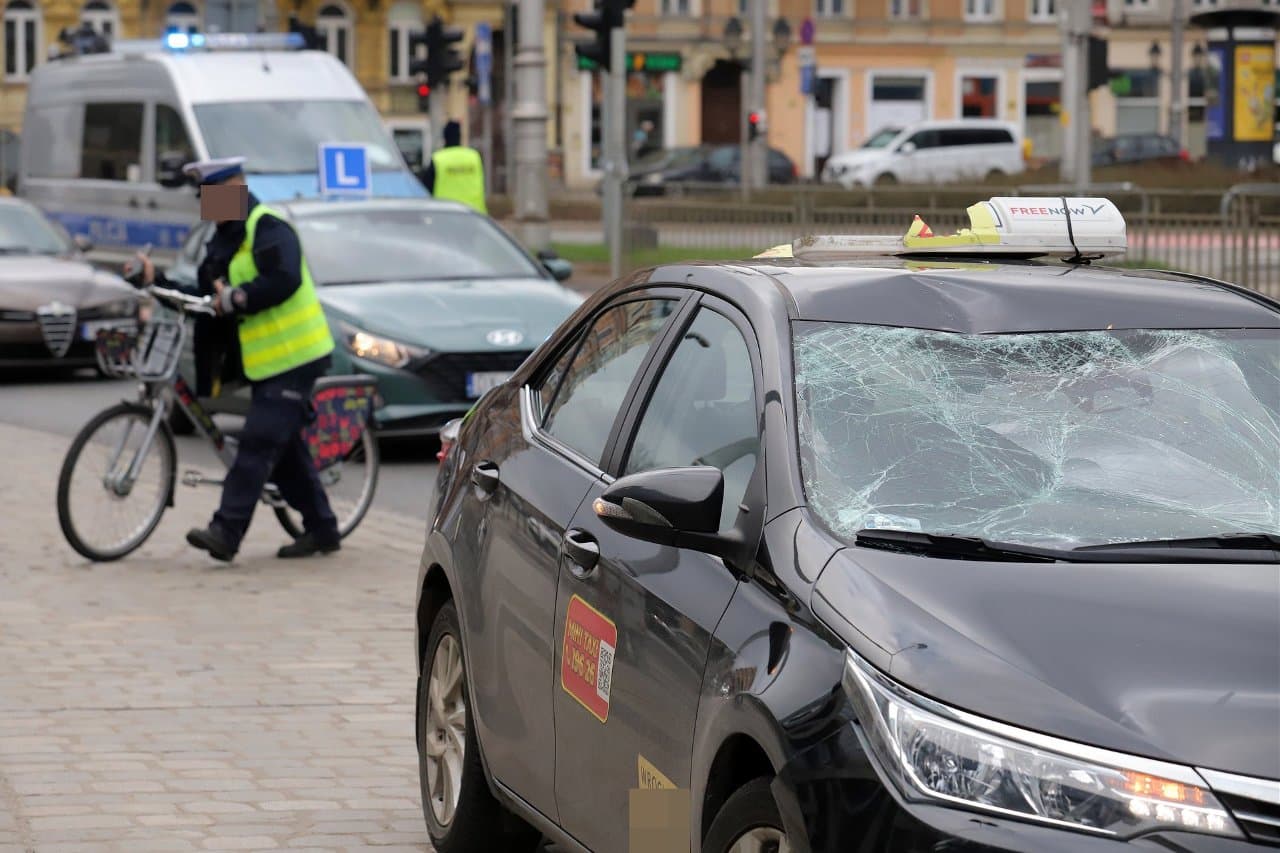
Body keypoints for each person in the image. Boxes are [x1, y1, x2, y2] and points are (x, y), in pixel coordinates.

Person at [132, 156, 341, 563]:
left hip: (296, 357)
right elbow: (200, 295)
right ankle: (324, 529)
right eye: (201, 197)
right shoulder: (222, 239)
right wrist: (151, 281)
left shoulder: (269, 227)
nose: (204, 205)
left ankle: (226, 532)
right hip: (266, 362)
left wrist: (239, 296)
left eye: (209, 195)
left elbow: (285, 278)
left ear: (235, 189)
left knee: (259, 443)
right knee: (284, 452)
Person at [421, 120, 488, 215]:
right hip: (475, 215)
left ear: (445, 138)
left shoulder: (439, 159)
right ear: (460, 137)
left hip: (446, 214)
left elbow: (426, 187)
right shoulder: (474, 156)